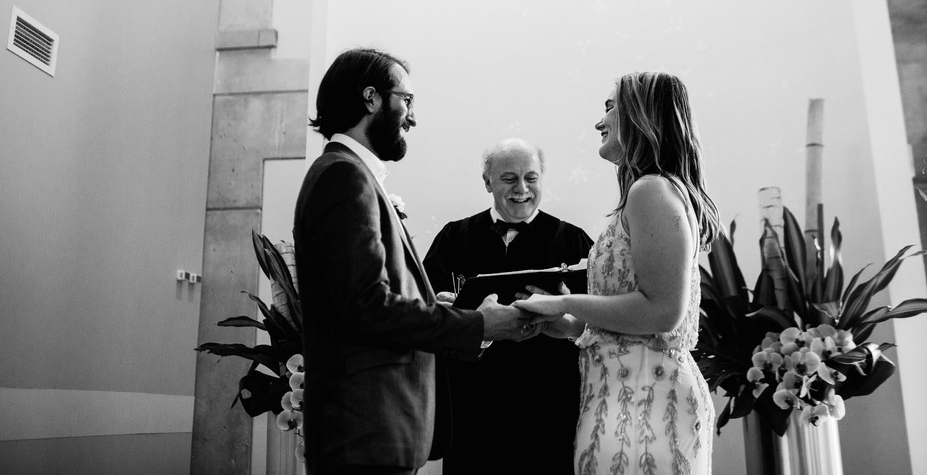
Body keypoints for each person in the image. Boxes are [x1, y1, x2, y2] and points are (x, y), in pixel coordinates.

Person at [293, 48, 532, 475]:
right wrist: (478, 325)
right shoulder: (342, 176)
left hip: (376, 430)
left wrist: (433, 309)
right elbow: (367, 305)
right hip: (366, 431)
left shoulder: (350, 175)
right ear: (371, 98)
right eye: (406, 100)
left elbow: (362, 300)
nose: (412, 118)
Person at [514, 72, 722, 475]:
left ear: (641, 115)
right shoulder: (649, 191)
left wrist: (565, 302)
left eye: (610, 107)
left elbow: (663, 312)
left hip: (647, 401)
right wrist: (574, 326)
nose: (599, 121)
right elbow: (640, 320)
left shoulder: (651, 191)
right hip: (625, 394)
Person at [423, 138, 594, 475]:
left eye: (531, 178)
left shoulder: (574, 241)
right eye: (509, 179)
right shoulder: (453, 238)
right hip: (472, 411)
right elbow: (426, 318)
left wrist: (567, 319)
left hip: (549, 410)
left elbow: (598, 325)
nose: (522, 189)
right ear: (487, 182)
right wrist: (446, 308)